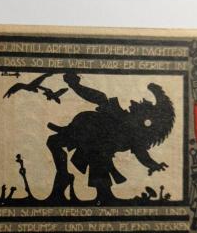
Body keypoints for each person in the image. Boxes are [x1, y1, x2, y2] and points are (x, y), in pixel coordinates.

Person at [46, 73, 175, 203]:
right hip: (84, 132)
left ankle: (100, 194)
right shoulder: (120, 115)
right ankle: (63, 176)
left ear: (145, 116)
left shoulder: (134, 132)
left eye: (141, 105)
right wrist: (75, 86)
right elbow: (99, 98)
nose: (134, 102)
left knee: (96, 163)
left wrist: (153, 164)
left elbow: (141, 152)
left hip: (93, 143)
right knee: (53, 142)